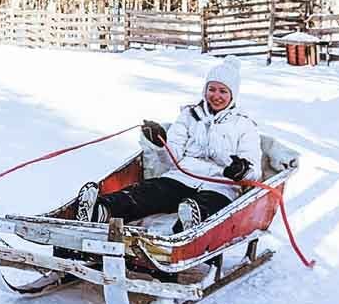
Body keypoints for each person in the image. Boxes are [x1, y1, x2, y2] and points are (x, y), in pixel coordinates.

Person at [75, 56, 262, 233]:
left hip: (220, 184)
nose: (216, 96)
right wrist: (160, 143)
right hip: (182, 176)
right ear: (204, 90)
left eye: (223, 91)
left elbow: (254, 170)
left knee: (209, 204)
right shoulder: (189, 116)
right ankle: (102, 209)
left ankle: (189, 223)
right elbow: (171, 158)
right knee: (149, 192)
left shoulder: (244, 125)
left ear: (233, 95)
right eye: (211, 89)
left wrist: (241, 170)